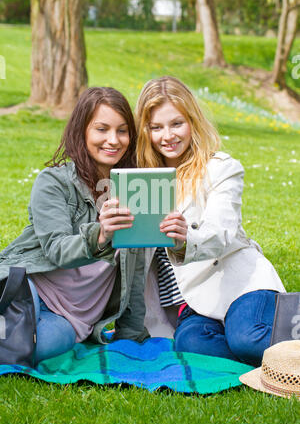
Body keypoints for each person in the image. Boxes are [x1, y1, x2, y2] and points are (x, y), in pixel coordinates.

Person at [135, 76, 286, 367]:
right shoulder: (140, 181)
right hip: (196, 302)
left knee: (247, 339)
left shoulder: (221, 169)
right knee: (189, 344)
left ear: (192, 122)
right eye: (156, 127)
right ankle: (264, 351)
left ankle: (278, 325)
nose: (167, 135)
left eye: (177, 123)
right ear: (146, 130)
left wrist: (184, 240)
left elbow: (221, 232)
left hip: (240, 283)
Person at [0, 86, 150, 365]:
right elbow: (56, 249)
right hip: (31, 287)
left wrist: (129, 336)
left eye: (122, 130)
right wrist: (101, 235)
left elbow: (135, 273)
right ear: (82, 131)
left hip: (70, 319)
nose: (113, 140)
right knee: (12, 333)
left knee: (38, 348)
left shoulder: (135, 190)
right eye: (101, 129)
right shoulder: (54, 182)